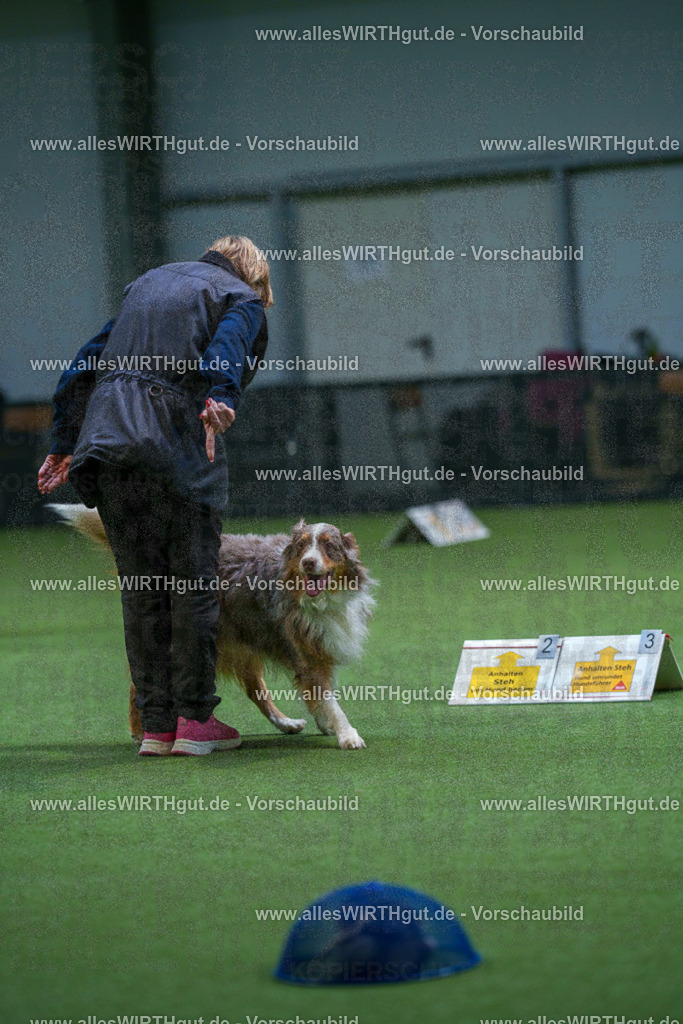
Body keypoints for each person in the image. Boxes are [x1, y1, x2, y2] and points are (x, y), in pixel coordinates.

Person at [38, 236, 273, 756]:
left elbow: (83, 364)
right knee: (193, 586)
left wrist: (63, 443)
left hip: (108, 449)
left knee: (141, 590)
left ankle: (156, 727)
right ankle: (194, 722)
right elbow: (228, 348)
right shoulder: (241, 296)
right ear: (253, 274)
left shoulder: (144, 285)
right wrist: (221, 396)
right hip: (175, 450)